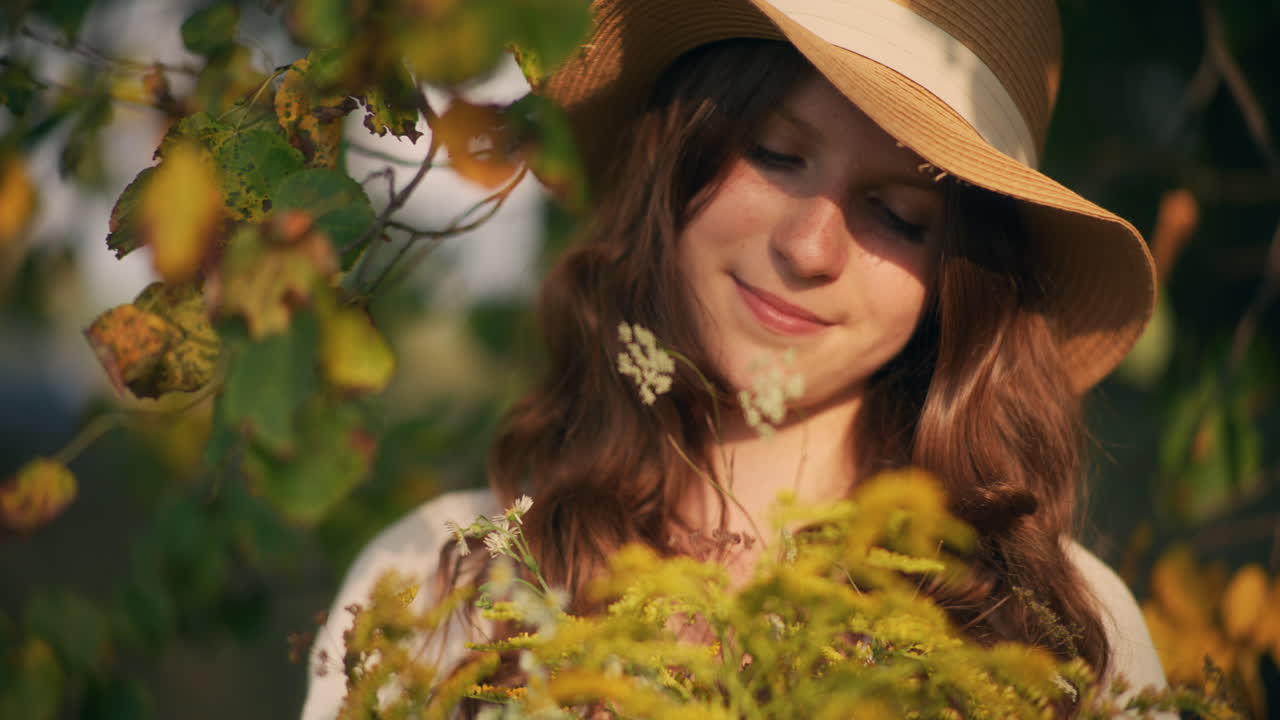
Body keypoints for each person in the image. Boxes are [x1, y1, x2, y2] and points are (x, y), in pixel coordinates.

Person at [301, 0, 1169, 717]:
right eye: (777, 156)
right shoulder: (426, 592)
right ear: (677, 158)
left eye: (899, 216)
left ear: (957, 282)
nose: (809, 246)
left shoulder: (1062, 642)